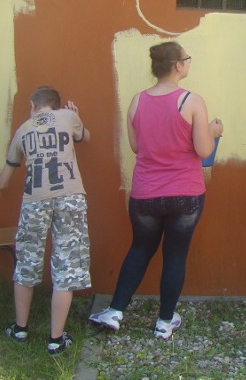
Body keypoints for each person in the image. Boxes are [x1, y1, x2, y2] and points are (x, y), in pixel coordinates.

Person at [88, 41, 222, 339]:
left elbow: (137, 147)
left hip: (145, 194)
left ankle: (115, 311)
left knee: (140, 249)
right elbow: (203, 149)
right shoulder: (192, 101)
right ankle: (164, 321)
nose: (188, 62)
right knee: (175, 254)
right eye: (187, 58)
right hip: (186, 194)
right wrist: (213, 132)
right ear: (178, 66)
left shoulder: (136, 101)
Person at [0, 86, 92, 355]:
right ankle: (56, 338)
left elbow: (3, 181)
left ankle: (20, 328)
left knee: (27, 260)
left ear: (32, 105)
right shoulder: (67, 117)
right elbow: (85, 136)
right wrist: (76, 118)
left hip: (34, 199)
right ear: (57, 105)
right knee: (66, 263)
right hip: (69, 197)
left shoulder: (23, 130)